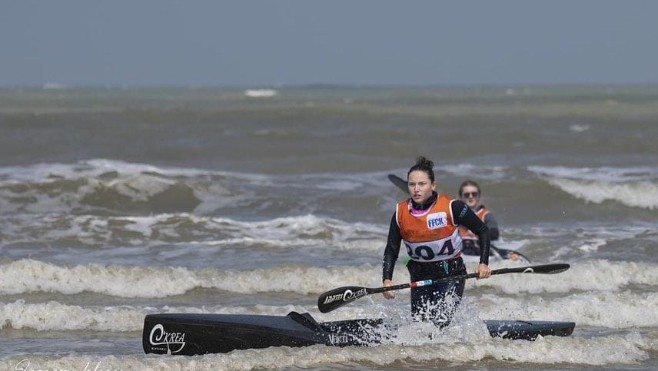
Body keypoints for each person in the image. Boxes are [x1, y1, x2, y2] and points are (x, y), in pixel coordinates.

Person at [382, 157, 491, 326]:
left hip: (451, 273)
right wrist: (387, 280)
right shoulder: (400, 213)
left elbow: (483, 231)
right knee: (420, 326)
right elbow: (391, 248)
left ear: (433, 185)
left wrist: (483, 263)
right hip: (419, 274)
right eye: (412, 185)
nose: (416, 189)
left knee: (440, 322)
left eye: (422, 184)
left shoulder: (452, 207)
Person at [458, 180, 499, 256]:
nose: (471, 196)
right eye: (467, 195)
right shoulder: (454, 215)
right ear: (461, 197)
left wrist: (479, 233)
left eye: (474, 194)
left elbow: (494, 234)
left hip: (478, 250)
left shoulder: (486, 215)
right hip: (460, 250)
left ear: (478, 196)